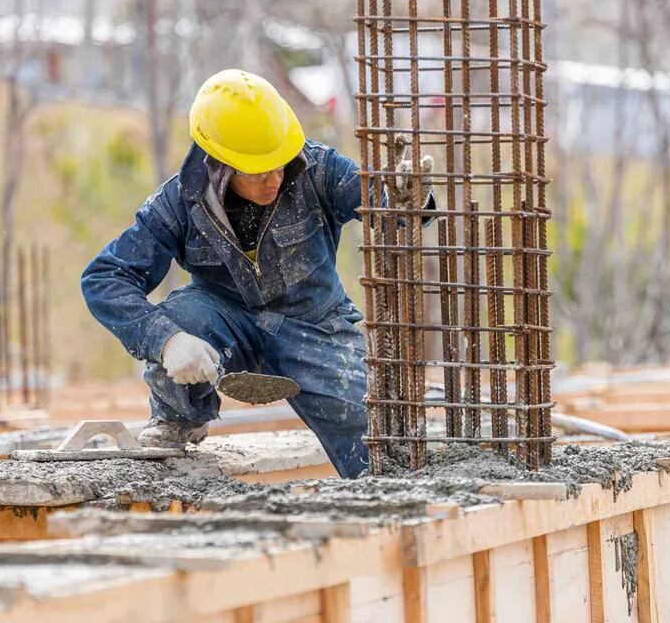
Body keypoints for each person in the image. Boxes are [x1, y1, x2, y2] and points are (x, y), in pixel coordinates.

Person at [80, 69, 434, 479]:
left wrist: (408, 197)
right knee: (181, 317)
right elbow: (104, 278)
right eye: (256, 171)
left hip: (316, 326)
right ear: (220, 166)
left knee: (377, 437)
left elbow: (380, 200)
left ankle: (387, 489)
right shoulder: (179, 202)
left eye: (279, 165)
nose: (274, 179)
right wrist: (166, 341)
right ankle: (178, 420)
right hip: (227, 321)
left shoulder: (317, 168)